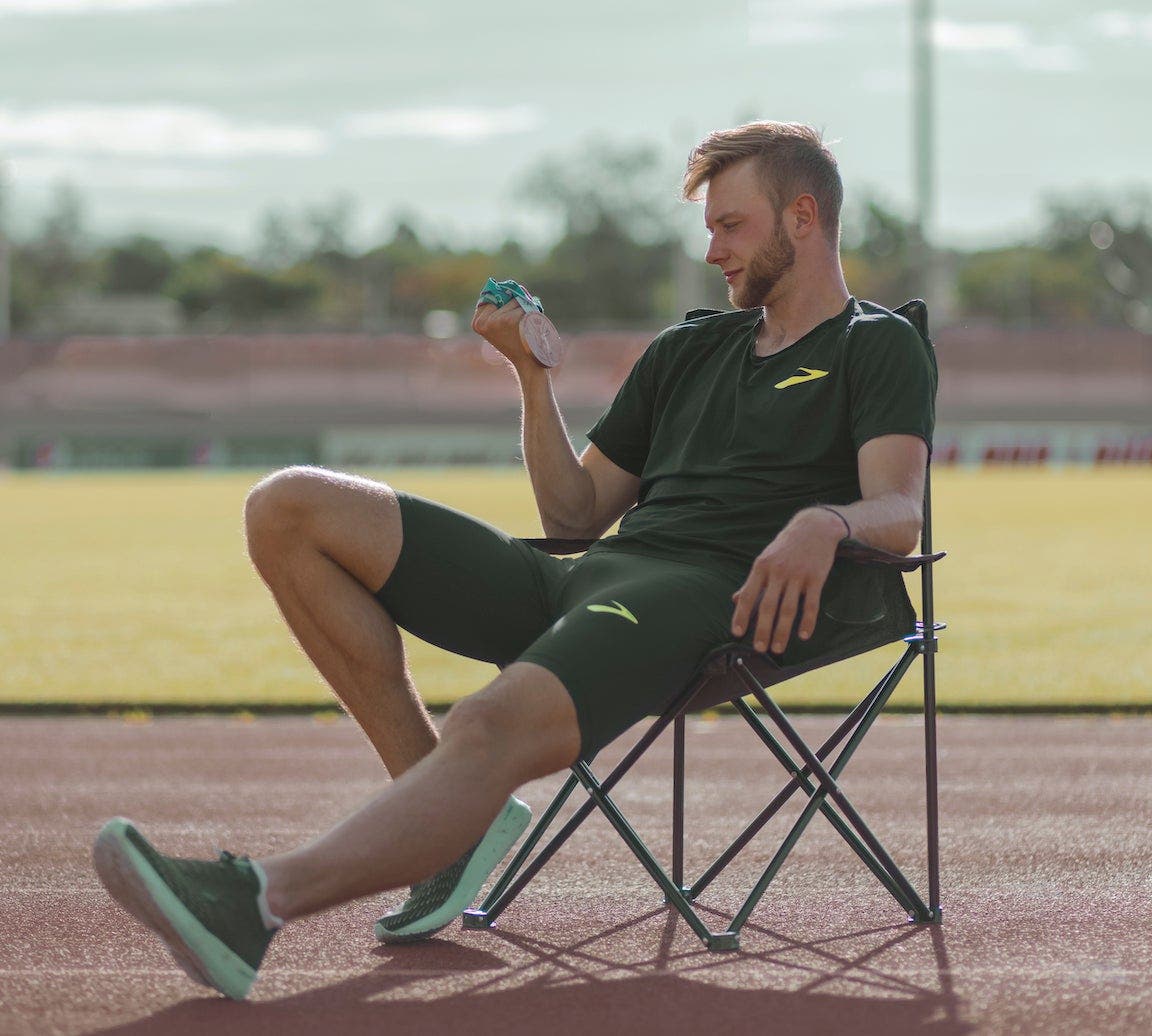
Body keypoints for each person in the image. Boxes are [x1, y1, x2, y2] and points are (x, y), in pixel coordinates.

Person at [92, 121, 936, 1000]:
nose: (712, 247)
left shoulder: (873, 345)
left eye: (732, 225)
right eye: (711, 226)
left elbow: (898, 510)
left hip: (711, 601)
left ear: (803, 218)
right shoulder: (688, 349)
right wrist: (531, 379)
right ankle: (449, 824)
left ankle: (255, 902)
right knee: (288, 507)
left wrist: (822, 523)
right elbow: (574, 512)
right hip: (595, 577)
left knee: (489, 723)